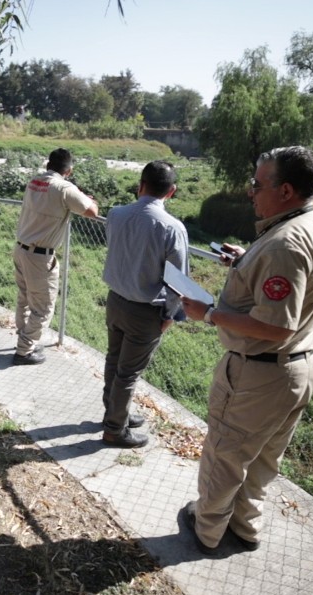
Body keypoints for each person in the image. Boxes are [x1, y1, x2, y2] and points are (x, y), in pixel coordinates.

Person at [180, 146, 313, 555]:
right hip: (298, 368)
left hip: (260, 374)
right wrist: (246, 259)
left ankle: (207, 529)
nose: (251, 192)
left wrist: (210, 313)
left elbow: (274, 325)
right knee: (265, 459)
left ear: (285, 190)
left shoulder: (283, 245)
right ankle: (245, 526)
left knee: (226, 454)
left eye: (257, 184)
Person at [101, 161, 189, 448]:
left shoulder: (116, 214)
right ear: (171, 192)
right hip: (145, 311)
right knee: (128, 373)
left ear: (140, 185)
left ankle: (114, 413)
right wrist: (170, 315)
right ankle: (115, 429)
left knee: (114, 361)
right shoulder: (172, 228)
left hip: (115, 301)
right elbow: (178, 280)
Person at [12, 148, 98, 365]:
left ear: (47, 165)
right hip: (40, 257)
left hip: (21, 249)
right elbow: (92, 212)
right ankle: (24, 350)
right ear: (69, 170)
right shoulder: (64, 188)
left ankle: (24, 339)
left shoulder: (34, 181)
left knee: (24, 298)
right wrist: (87, 198)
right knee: (43, 306)